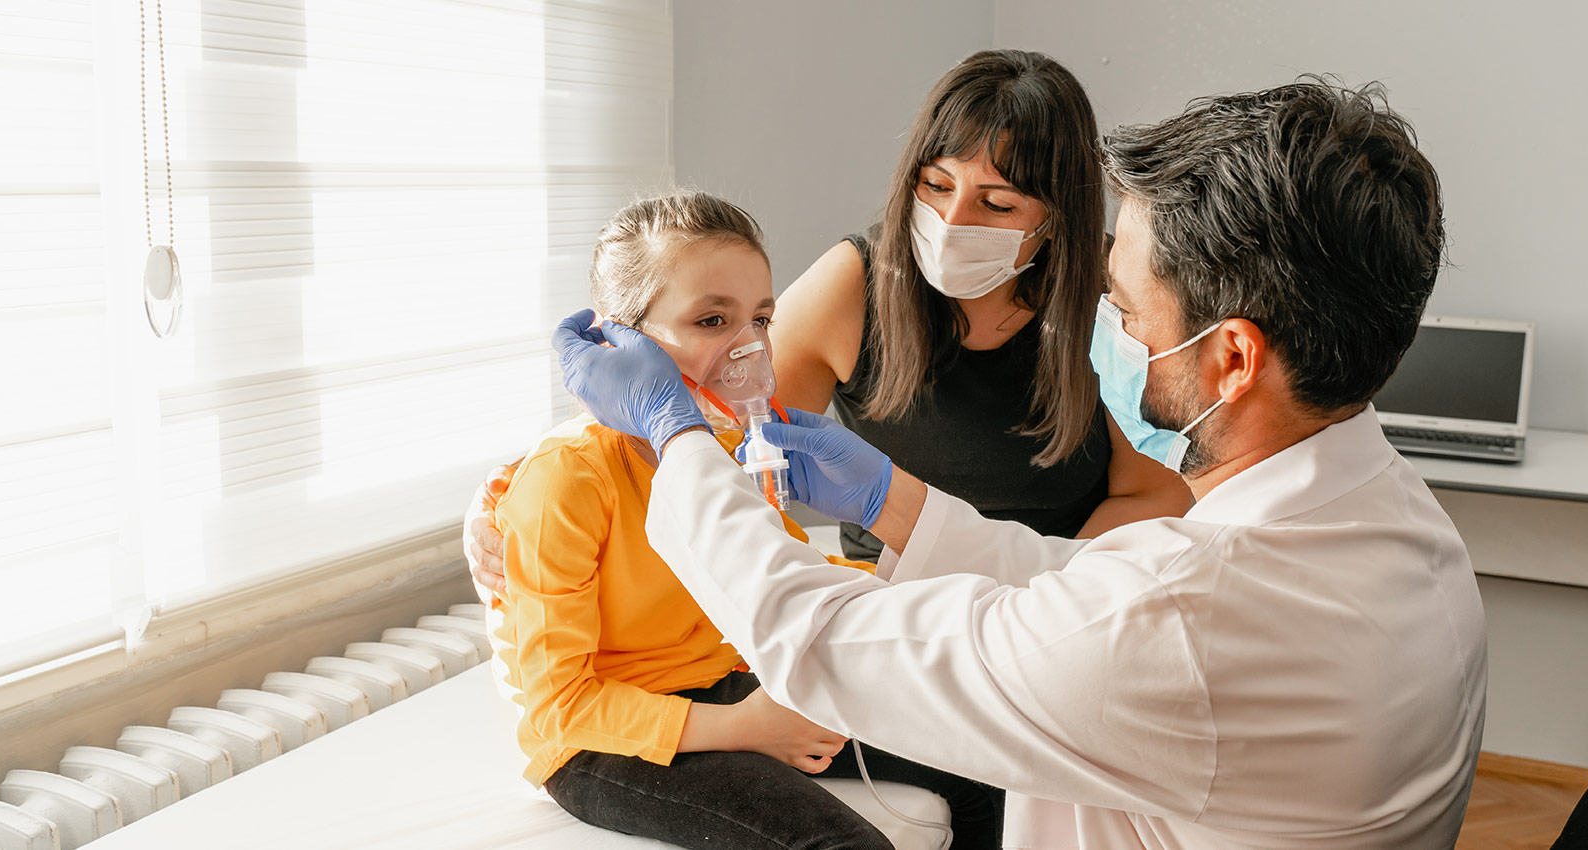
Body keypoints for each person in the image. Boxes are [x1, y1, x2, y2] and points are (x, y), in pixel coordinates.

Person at [550, 79, 1488, 849]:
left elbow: (821, 643)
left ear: (1231, 358)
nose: (1101, 328)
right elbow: (1090, 589)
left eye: (1123, 308)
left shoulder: (1178, 618)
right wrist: (891, 500)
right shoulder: (1397, 518)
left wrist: (672, 432)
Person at [465, 49, 1191, 591]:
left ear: (1057, 216)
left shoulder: (1113, 298)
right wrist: (525, 487)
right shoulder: (859, 285)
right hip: (898, 601)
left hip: (1062, 594)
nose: (952, 221)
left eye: (997, 204)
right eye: (935, 185)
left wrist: (1049, 585)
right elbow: (702, 412)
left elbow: (1161, 490)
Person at [492, 190, 1002, 850]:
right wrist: (747, 726)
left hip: (728, 683)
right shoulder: (569, 477)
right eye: (712, 320)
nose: (750, 348)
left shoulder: (727, 451)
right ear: (621, 343)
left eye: (760, 319)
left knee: (989, 768)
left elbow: (786, 580)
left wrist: (912, 596)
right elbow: (560, 706)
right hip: (607, 739)